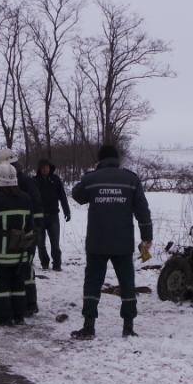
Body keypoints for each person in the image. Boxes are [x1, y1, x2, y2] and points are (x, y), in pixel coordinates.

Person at [70, 144, 153, 339]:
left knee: (92, 283)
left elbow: (77, 195)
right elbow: (142, 210)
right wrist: (146, 236)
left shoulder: (91, 179)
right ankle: (128, 327)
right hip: (122, 242)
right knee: (127, 282)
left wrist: (89, 177)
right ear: (117, 159)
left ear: (99, 160)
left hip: (97, 242)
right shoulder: (131, 179)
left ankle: (89, 326)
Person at [0, 163, 35, 326]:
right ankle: (19, 315)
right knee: (18, 284)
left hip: (1, 255)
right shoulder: (25, 198)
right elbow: (30, 228)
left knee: (1, 284)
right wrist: (29, 252)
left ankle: (3, 316)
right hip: (20, 254)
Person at [0, 149, 42, 316]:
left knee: (25, 266)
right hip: (26, 231)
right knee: (24, 265)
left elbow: (34, 205)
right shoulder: (22, 179)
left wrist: (32, 229)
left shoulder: (22, 181)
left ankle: (29, 303)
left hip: (24, 232)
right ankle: (26, 303)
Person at [34, 158, 71, 271]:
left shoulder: (55, 180)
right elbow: (29, 198)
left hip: (53, 216)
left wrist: (67, 211)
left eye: (47, 167)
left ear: (50, 168)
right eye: (43, 167)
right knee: (40, 244)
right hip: (38, 217)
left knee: (55, 243)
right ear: (39, 169)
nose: (45, 169)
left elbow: (63, 197)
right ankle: (44, 263)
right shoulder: (34, 181)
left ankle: (57, 264)